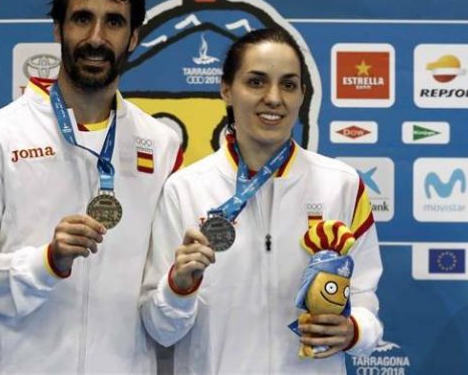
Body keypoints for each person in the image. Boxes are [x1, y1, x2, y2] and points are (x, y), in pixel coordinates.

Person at [0, 0, 183, 374]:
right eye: (82, 18)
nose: (96, 38)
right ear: (58, 29)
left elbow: (161, 295)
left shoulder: (162, 146)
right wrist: (46, 262)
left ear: (133, 37)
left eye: (113, 22)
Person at [140, 28, 383, 374]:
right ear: (226, 90)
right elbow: (161, 330)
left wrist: (354, 330)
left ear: (302, 95)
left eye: (288, 85)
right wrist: (179, 286)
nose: (274, 98)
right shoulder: (185, 190)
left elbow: (364, 302)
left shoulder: (341, 185)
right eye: (256, 82)